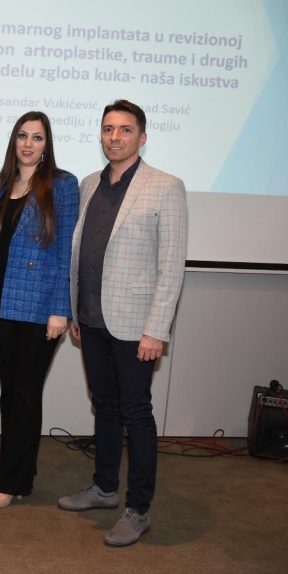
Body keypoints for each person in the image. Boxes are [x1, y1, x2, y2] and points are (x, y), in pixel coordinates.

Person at [57, 100, 188, 547]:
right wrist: (76, 311)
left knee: (136, 413)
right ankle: (104, 487)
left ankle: (138, 509)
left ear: (142, 137)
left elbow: (171, 266)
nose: (115, 137)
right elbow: (81, 252)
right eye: (108, 129)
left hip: (136, 327)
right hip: (91, 318)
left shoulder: (166, 187)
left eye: (125, 130)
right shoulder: (89, 184)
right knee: (105, 406)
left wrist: (156, 329)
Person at [0, 112, 79, 509]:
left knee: (24, 394)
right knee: (11, 394)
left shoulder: (62, 184)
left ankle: (9, 482)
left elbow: (65, 248)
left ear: (46, 144)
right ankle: (19, 476)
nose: (28, 143)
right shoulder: (3, 185)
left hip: (39, 308)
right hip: (0, 303)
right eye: (22, 135)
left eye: (37, 137)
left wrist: (60, 309)